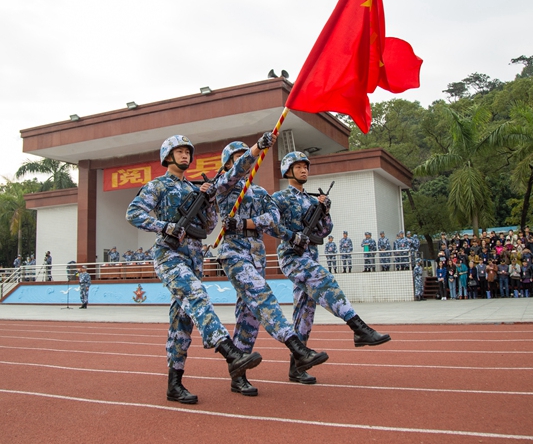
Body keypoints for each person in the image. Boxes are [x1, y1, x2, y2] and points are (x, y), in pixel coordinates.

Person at [126, 134, 263, 405]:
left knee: (182, 322)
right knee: (197, 296)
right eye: (179, 151)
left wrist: (209, 200)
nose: (185, 155)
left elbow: (209, 225)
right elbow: (134, 213)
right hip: (169, 257)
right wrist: (164, 226)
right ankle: (231, 353)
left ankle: (174, 385)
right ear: (167, 155)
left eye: (187, 151)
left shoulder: (195, 188)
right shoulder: (158, 185)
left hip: (194, 258)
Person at [215, 137, 328, 394]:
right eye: (237, 157)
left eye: (245, 155)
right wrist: (255, 149)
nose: (244, 160)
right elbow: (239, 170)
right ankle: (297, 347)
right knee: (263, 296)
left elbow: (273, 219)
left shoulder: (260, 192)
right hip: (234, 253)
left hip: (256, 255)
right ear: (228, 164)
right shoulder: (223, 187)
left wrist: (246, 223)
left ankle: (238, 374)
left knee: (249, 316)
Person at [272, 152, 391, 372]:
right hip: (292, 257)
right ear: (288, 171)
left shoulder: (311, 200)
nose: (304, 170)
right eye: (298, 167)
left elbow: (324, 231)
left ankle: (297, 367)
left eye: (306, 166)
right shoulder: (279, 198)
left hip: (311, 256)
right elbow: (270, 225)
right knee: (326, 280)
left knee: (304, 313)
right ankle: (358, 328)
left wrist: (325, 211)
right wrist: (292, 236)